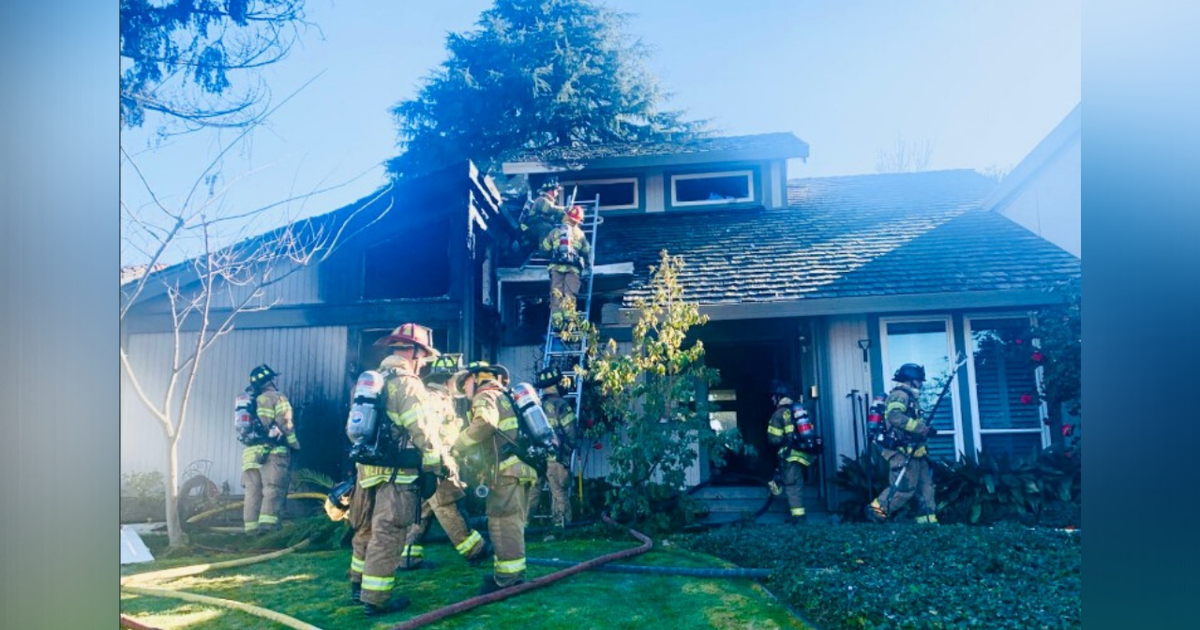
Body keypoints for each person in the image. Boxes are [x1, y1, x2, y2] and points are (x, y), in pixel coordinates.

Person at [346, 323, 440, 617]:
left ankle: (357, 585)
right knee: (388, 532)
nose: (422, 364)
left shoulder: (371, 382)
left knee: (366, 529)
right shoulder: (408, 384)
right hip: (397, 473)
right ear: (412, 352)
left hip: (367, 472)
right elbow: (422, 429)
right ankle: (375, 599)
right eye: (422, 357)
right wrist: (439, 464)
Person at [451, 361, 538, 595]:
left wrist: (457, 444)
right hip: (522, 469)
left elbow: (485, 424)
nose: (464, 389)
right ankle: (507, 576)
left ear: (477, 378)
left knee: (502, 523)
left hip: (506, 472)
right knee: (512, 524)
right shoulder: (506, 397)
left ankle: (509, 581)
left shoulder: (485, 396)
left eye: (465, 382)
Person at [398, 353, 489, 569]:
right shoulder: (436, 400)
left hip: (428, 461)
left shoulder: (433, 397)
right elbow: (433, 434)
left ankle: (406, 557)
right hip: (437, 461)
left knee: (423, 511)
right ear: (448, 379)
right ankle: (475, 551)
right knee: (448, 506)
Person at [865, 363, 939, 524]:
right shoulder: (900, 394)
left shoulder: (912, 397)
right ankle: (876, 512)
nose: (922, 384)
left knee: (926, 488)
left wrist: (926, 430)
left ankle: (928, 525)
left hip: (917, 452)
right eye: (919, 380)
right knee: (904, 489)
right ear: (911, 380)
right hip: (902, 452)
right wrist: (921, 429)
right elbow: (894, 416)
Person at [241, 364, 300, 534]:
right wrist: (294, 444)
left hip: (250, 454)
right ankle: (269, 530)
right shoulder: (277, 398)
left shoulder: (250, 401)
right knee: (272, 490)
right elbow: (286, 424)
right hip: (272, 453)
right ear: (271, 380)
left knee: (252, 493)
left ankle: (250, 531)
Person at [534, 367, 577, 528]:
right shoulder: (561, 405)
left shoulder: (537, 407)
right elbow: (571, 431)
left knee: (532, 493)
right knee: (559, 492)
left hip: (537, 458)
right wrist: (570, 447)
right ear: (557, 385)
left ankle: (524, 526)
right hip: (556, 459)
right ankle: (561, 526)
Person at [540, 204, 591, 333]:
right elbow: (587, 250)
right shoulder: (580, 234)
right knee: (570, 294)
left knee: (556, 293)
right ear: (578, 220)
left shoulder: (555, 231)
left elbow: (545, 248)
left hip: (556, 267)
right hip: (572, 269)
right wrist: (588, 263)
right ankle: (569, 320)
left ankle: (557, 322)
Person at [765, 380, 810, 523]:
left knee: (792, 486)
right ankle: (797, 515)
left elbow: (774, 439)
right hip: (803, 454)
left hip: (789, 455)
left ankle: (798, 518)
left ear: (780, 396)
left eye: (774, 396)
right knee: (796, 483)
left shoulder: (779, 414)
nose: (772, 399)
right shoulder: (799, 411)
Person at [520, 180, 567, 251]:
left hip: (539, 225)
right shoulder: (541, 200)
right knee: (546, 228)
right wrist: (565, 209)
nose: (557, 194)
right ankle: (543, 251)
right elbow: (549, 209)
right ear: (550, 191)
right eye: (556, 191)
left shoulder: (549, 201)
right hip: (533, 227)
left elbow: (554, 215)